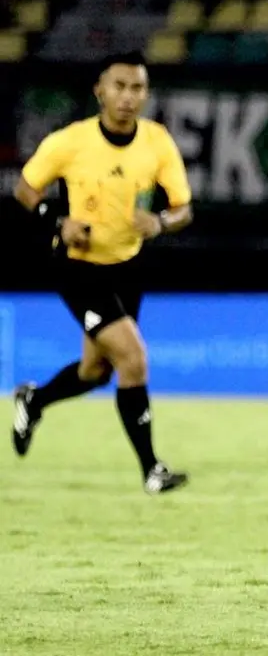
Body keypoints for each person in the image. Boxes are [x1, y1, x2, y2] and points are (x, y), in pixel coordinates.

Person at [11, 51, 194, 494]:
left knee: (96, 371)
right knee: (133, 358)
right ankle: (152, 470)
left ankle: (33, 400)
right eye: (119, 86)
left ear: (146, 95)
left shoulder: (157, 142)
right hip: (78, 267)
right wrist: (59, 221)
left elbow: (184, 209)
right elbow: (24, 189)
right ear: (99, 91)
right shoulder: (69, 142)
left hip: (127, 266)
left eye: (137, 88)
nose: (128, 97)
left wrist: (161, 223)